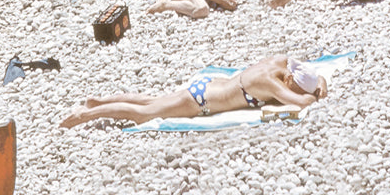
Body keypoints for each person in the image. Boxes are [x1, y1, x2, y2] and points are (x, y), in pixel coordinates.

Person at [59, 52, 327, 129]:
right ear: (291, 80)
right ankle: (86, 115)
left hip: (206, 87)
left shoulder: (281, 63)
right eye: (292, 85)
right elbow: (301, 102)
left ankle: (99, 101)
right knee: (145, 114)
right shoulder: (272, 84)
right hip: (201, 103)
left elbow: (310, 71)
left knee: (153, 100)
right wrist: (314, 93)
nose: (288, 88)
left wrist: (319, 82)